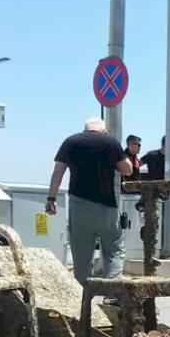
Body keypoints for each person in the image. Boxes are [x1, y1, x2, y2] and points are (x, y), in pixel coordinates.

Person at [46, 118, 134, 285]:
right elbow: (127, 169)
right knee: (114, 249)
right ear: (103, 130)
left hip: (78, 206)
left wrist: (51, 198)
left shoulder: (71, 142)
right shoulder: (110, 142)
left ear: (85, 129)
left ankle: (83, 299)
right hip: (106, 207)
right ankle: (112, 293)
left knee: (81, 256)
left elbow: (58, 172)